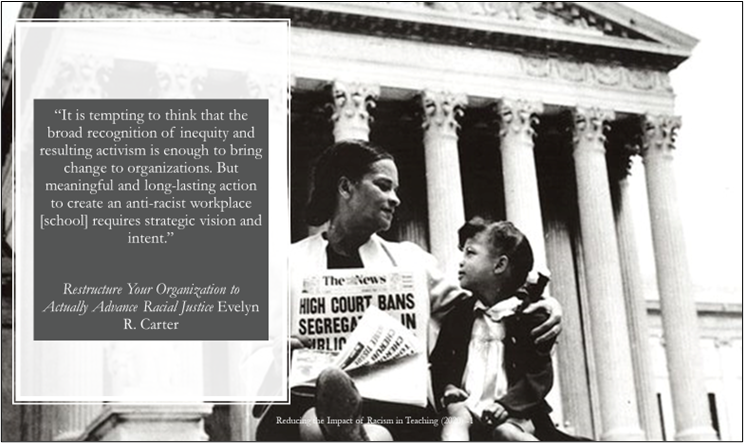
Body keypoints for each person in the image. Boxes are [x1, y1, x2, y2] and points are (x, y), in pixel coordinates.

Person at [256, 140, 563, 441]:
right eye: (383, 185)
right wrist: (277, 356)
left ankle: (349, 432)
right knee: (315, 423)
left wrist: (541, 303)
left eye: (396, 190)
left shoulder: (411, 260)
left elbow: (481, 308)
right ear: (346, 187)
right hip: (307, 399)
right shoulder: (287, 263)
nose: (395, 199)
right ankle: (348, 429)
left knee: (355, 431)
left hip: (396, 406)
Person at [431, 218, 567, 441]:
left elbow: (539, 374)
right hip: (467, 407)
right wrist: (448, 387)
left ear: (499, 265)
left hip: (516, 413)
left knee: (507, 433)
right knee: (454, 421)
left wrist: (509, 405)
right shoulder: (459, 314)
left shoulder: (530, 316)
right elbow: (440, 360)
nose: (461, 262)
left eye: (470, 253)